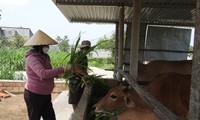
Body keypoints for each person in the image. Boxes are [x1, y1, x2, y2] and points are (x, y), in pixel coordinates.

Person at [23, 30, 71, 120]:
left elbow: (48, 72)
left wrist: (59, 74)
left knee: (50, 117)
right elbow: (43, 74)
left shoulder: (45, 57)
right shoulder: (32, 58)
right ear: (39, 46)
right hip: (34, 94)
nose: (47, 47)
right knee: (35, 117)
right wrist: (61, 69)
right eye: (46, 45)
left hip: (45, 94)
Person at [68, 40, 91, 111]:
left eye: (88, 49)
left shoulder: (84, 57)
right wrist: (85, 75)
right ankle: (76, 114)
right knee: (74, 100)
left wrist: (87, 75)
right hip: (74, 81)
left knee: (80, 98)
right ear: (83, 48)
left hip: (81, 81)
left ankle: (79, 113)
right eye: (86, 48)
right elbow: (75, 67)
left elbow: (84, 69)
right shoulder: (76, 56)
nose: (87, 50)